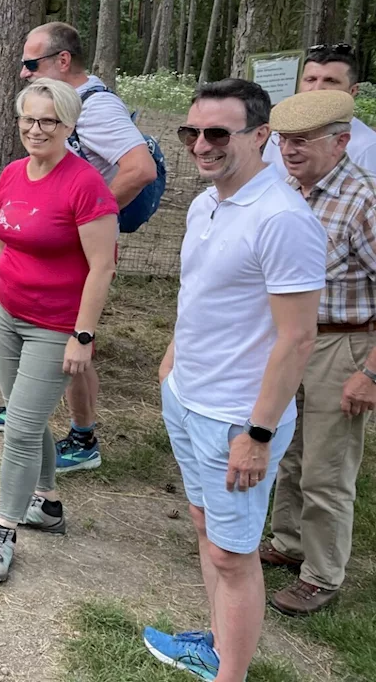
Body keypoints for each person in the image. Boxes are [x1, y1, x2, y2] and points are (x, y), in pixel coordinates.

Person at [141, 79, 327, 682]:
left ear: (260, 136)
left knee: (232, 552)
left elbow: (297, 338)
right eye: (191, 132)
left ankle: (231, 673)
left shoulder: (282, 219)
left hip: (235, 419)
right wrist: (173, 361)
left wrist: (259, 431)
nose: (201, 145)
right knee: (205, 528)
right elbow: (203, 297)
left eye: (218, 133)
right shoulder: (207, 203)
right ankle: (217, 645)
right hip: (188, 398)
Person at [0, 21, 158, 474]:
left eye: (31, 64)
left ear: (63, 61)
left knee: (75, 344)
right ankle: (47, 428)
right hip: (47, 261)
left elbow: (141, 168)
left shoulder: (96, 109)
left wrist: (81, 219)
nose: (23, 73)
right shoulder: (28, 150)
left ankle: (80, 436)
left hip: (75, 261)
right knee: (64, 357)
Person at [0, 78, 118, 583]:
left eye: (47, 120)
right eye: (28, 118)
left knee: (22, 429)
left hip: (56, 326)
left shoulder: (84, 184)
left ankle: (3, 528)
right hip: (9, 315)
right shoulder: (11, 175)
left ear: (69, 125)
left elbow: (103, 267)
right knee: (26, 421)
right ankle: (47, 504)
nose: (35, 129)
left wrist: (83, 334)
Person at [257, 89, 376, 616]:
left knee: (328, 467)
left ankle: (322, 573)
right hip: (291, 341)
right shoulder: (287, 190)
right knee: (290, 450)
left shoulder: (364, 201)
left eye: (304, 140)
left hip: (341, 345)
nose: (290, 149)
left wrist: (371, 373)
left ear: (341, 141)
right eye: (284, 139)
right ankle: (289, 543)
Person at [264, 43, 376, 175]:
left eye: (331, 81)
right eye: (310, 79)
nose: (317, 88)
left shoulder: (367, 146)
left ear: (352, 91)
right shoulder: (282, 133)